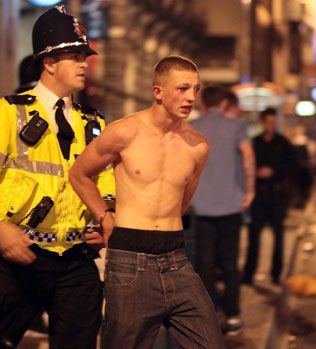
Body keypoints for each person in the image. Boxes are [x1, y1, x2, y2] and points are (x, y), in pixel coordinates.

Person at [0, 6, 114, 348]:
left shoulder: (93, 122)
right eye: (74, 55)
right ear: (49, 62)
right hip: (17, 254)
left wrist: (106, 214)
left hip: (76, 258)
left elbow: (106, 178)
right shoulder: (8, 112)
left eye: (85, 55)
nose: (84, 63)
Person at [69, 55, 225, 348]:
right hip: (130, 259)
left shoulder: (198, 145)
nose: (191, 97)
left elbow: (182, 200)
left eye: (196, 89)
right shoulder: (125, 132)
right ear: (158, 92)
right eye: (182, 89)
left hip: (175, 257)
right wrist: (104, 216)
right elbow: (79, 174)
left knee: (210, 342)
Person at [190, 85, 255, 335]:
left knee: (204, 262)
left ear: (203, 103)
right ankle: (234, 314)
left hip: (201, 205)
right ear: (224, 104)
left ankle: (210, 312)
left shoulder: (194, 128)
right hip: (231, 205)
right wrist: (249, 192)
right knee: (229, 262)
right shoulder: (236, 127)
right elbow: (248, 158)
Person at [242, 107, 295, 285]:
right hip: (258, 196)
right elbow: (246, 165)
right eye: (268, 122)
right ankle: (249, 274)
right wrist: (257, 172)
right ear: (262, 122)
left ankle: (276, 274)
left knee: (278, 237)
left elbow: (293, 167)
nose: (271, 125)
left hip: (276, 195)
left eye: (273, 122)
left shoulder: (284, 143)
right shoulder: (255, 142)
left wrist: (273, 172)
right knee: (253, 237)